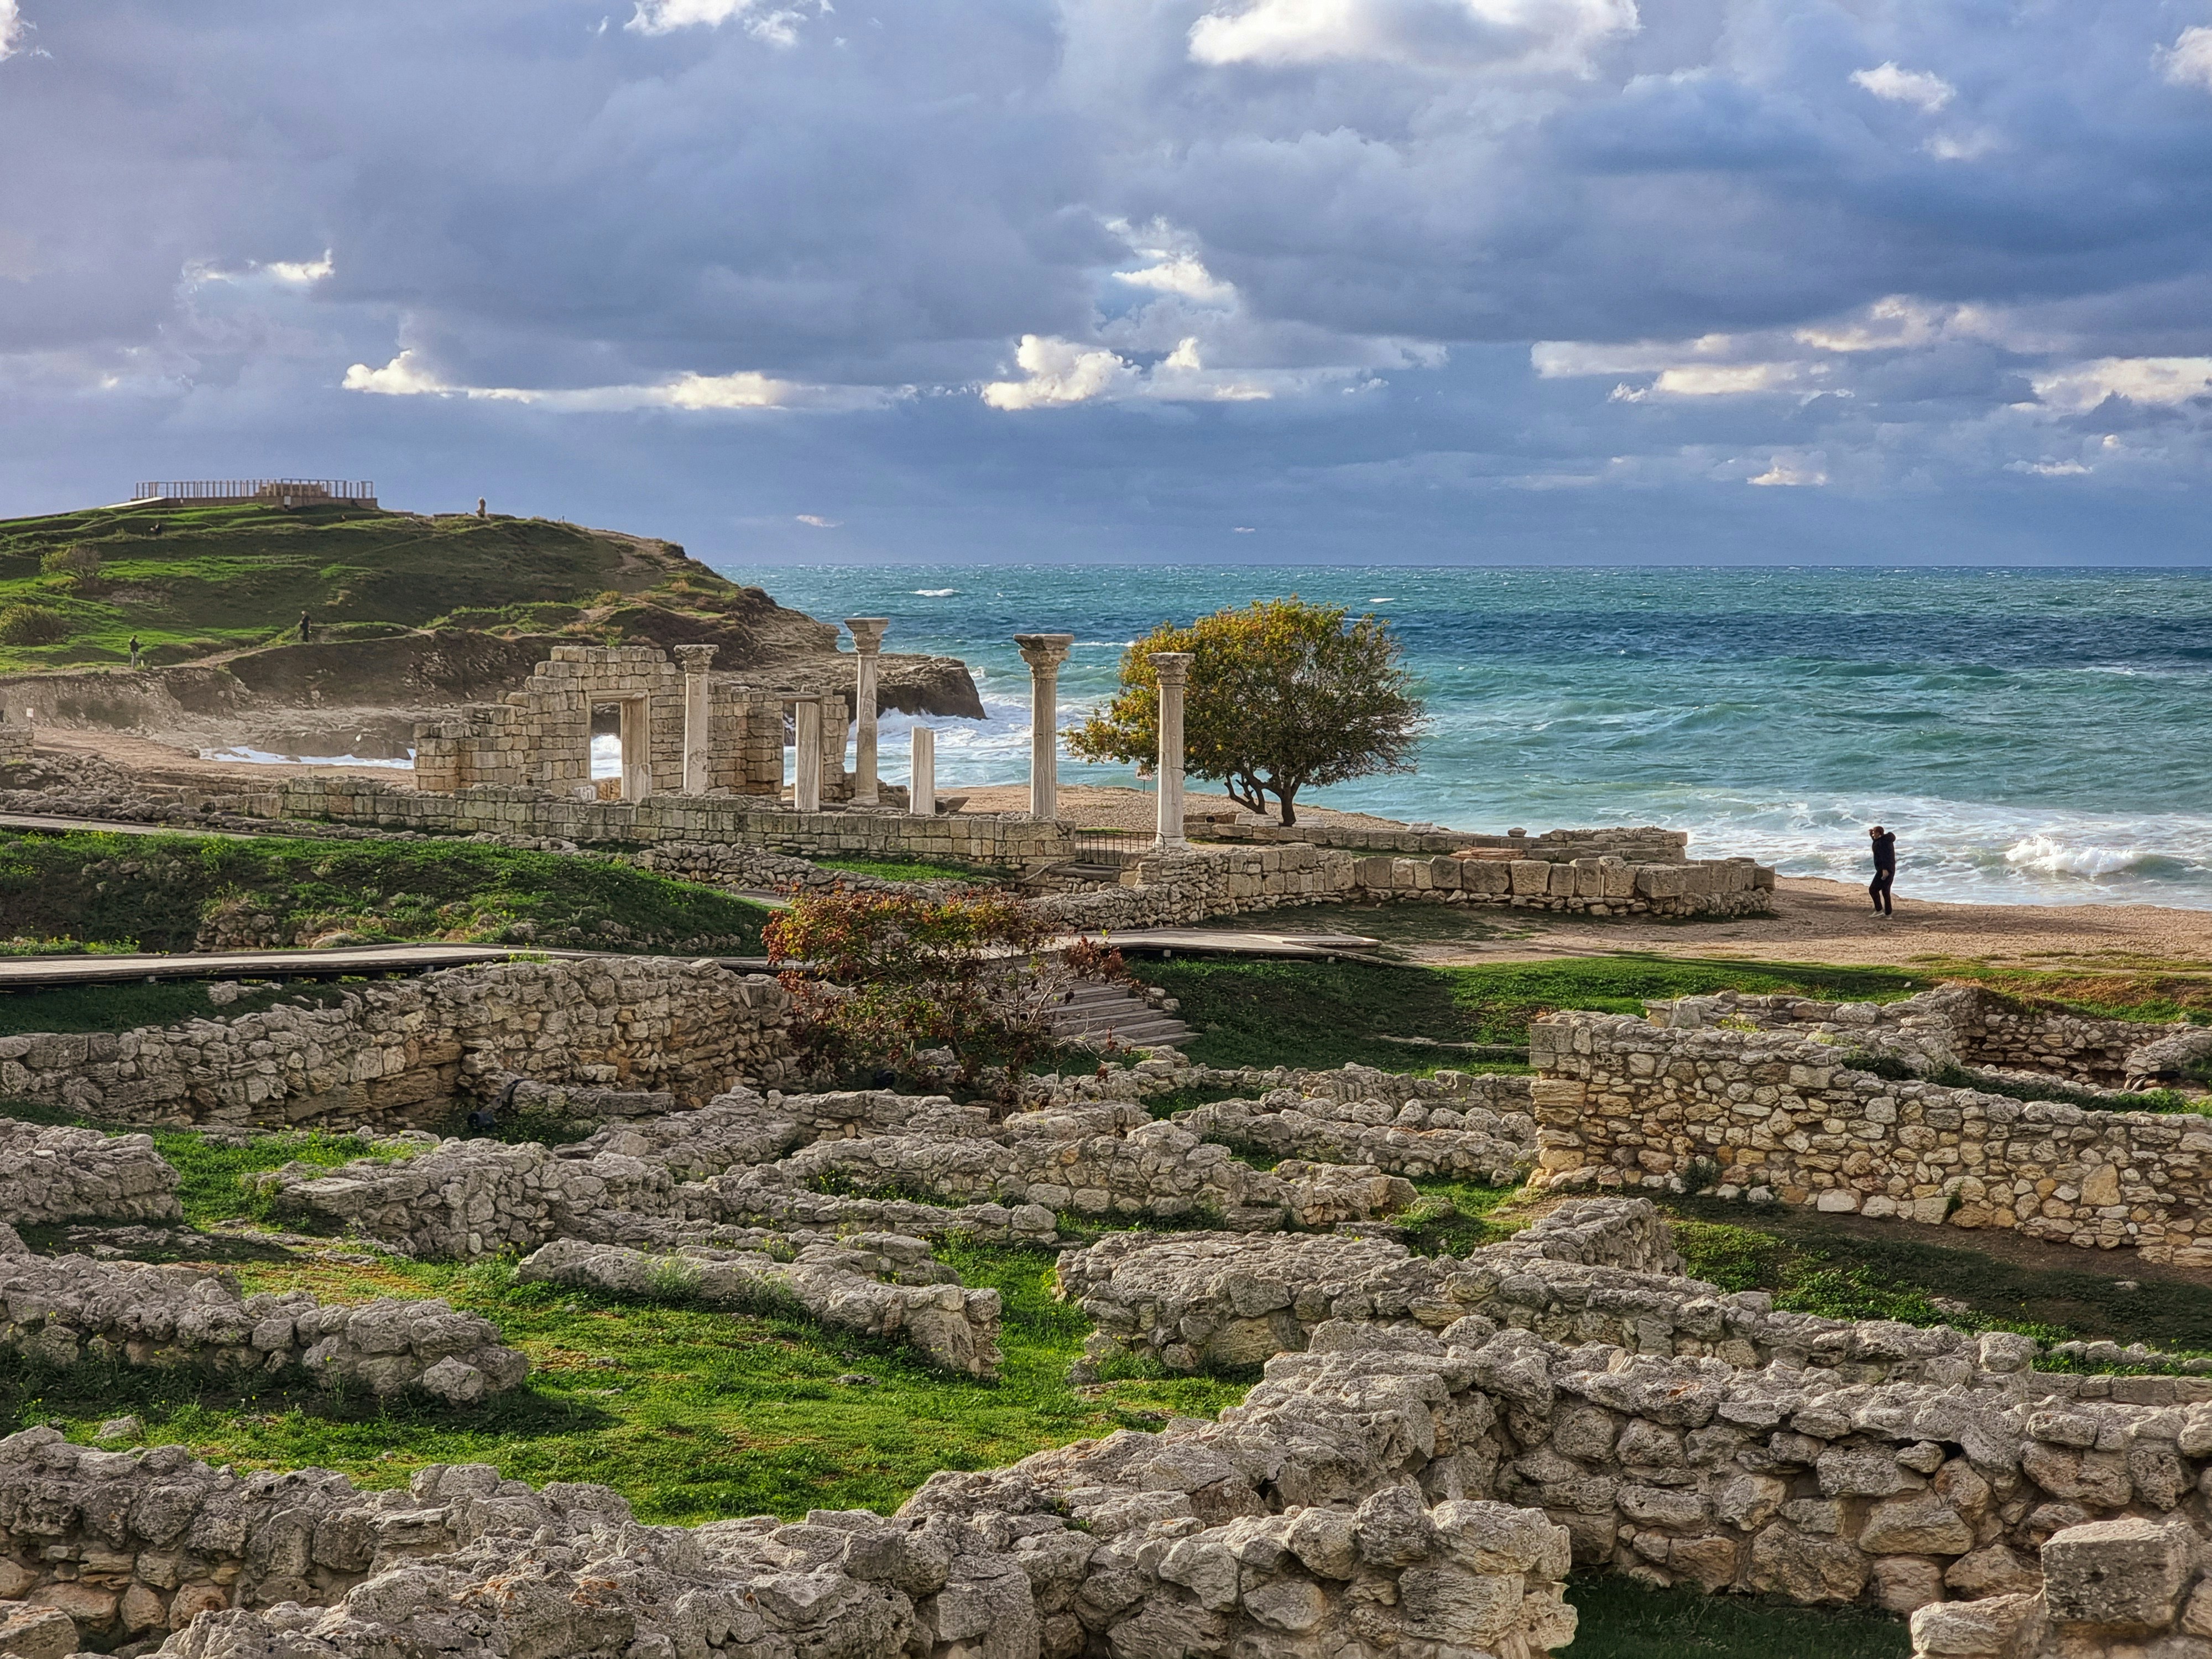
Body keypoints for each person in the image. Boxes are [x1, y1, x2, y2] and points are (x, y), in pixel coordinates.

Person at [1869, 825, 1896, 916]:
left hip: (1885, 870)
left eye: (1874, 832)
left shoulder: (1883, 843)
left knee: (1873, 889)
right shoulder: (1884, 840)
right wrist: (1872, 838)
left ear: (1878, 833)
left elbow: (1885, 856)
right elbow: (1877, 846)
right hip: (1890, 869)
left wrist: (1884, 869)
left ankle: (1879, 910)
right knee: (1885, 890)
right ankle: (1888, 913)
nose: (1874, 834)